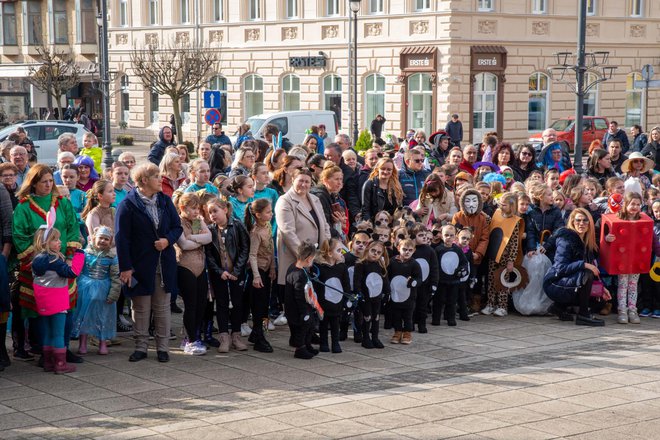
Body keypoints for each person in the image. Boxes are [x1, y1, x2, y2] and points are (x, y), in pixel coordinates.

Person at [13, 164, 82, 364]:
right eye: (44, 182)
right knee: (41, 312)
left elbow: (71, 228)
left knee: (66, 309)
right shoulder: (24, 207)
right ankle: (45, 352)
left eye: (51, 181)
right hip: (39, 270)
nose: (49, 185)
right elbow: (20, 236)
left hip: (62, 267)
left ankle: (64, 349)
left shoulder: (62, 203)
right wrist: (41, 259)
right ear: (33, 183)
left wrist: (68, 256)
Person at [115, 162, 183, 363]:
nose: (160, 180)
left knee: (162, 307)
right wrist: (126, 267)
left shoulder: (164, 200)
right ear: (144, 180)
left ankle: (162, 348)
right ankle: (141, 347)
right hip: (140, 264)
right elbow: (122, 238)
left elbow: (177, 227)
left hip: (164, 263)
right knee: (141, 308)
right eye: (156, 177)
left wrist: (167, 240)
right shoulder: (128, 204)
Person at [31, 227, 85, 374]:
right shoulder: (55, 260)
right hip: (58, 302)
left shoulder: (36, 259)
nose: (59, 242)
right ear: (45, 242)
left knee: (48, 333)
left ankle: (48, 362)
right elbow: (73, 272)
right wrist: (79, 253)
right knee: (58, 334)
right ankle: (61, 364)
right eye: (55, 239)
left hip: (43, 302)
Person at [542, 208, 607, 326]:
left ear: (589, 223)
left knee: (599, 301)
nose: (581, 223)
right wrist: (584, 264)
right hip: (555, 283)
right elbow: (560, 267)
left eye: (585, 220)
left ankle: (558, 307)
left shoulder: (587, 243)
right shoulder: (566, 239)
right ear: (572, 222)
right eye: (578, 220)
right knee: (587, 273)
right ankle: (583, 315)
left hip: (569, 281)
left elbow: (593, 269)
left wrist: (602, 287)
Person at [604, 192, 658, 324]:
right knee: (622, 284)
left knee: (633, 285)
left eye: (638, 204)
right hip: (622, 259)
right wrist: (607, 238)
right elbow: (606, 235)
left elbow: (653, 239)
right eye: (632, 204)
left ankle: (632, 310)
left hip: (636, 259)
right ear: (626, 204)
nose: (635, 207)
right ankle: (622, 310)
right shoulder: (618, 218)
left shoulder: (643, 220)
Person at [204, 198, 250, 353]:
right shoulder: (210, 230)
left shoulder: (237, 225)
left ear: (225, 209)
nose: (212, 215)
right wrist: (219, 271)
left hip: (236, 274)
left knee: (237, 304)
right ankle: (224, 337)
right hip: (220, 275)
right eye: (209, 212)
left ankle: (236, 336)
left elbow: (245, 249)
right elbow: (208, 254)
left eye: (215, 211)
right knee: (222, 305)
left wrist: (236, 271)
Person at [275, 168, 331, 288]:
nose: (304, 184)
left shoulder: (315, 199)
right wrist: (305, 258)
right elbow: (288, 233)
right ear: (293, 179)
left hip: (317, 258)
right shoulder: (285, 201)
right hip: (296, 260)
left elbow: (325, 225)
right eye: (301, 181)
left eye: (307, 181)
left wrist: (325, 249)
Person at [71, 226, 120, 356]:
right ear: (93, 238)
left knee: (103, 316)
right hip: (85, 288)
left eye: (106, 239)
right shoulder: (85, 253)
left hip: (104, 289)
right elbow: (77, 271)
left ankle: (102, 343)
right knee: (84, 315)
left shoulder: (112, 257)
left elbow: (115, 277)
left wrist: (114, 293)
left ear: (110, 242)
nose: (103, 241)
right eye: (100, 238)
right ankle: (82, 343)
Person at [174, 193, 212, 356]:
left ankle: (194, 335)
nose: (197, 211)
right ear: (183, 208)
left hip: (200, 266)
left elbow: (209, 237)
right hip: (184, 266)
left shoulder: (198, 221)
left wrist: (194, 238)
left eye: (198, 208)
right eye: (193, 208)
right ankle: (190, 340)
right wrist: (198, 241)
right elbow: (184, 244)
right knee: (190, 304)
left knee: (201, 303)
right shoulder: (177, 221)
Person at [482, 192, 523, 317]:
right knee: (491, 280)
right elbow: (492, 225)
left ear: (511, 206)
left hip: (505, 257)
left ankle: (502, 306)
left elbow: (515, 243)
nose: (501, 206)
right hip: (493, 253)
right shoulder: (497, 213)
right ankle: (490, 304)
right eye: (500, 204)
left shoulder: (515, 221)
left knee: (502, 282)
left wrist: (511, 260)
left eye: (504, 205)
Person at [245, 198, 276, 353]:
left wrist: (273, 267)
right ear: (258, 214)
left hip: (266, 269)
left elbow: (270, 249)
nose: (271, 214)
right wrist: (256, 276)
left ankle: (260, 332)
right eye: (268, 212)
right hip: (258, 272)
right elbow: (253, 255)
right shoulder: (256, 232)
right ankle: (259, 335)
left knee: (265, 307)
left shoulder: (268, 226)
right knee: (259, 307)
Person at [314, 238, 351, 353]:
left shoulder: (342, 267)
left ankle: (335, 342)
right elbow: (316, 286)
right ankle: (324, 343)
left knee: (335, 323)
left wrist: (347, 298)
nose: (342, 253)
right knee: (323, 323)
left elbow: (346, 284)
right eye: (339, 250)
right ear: (329, 253)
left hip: (337, 301)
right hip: (323, 302)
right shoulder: (319, 267)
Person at [284, 241, 319, 359]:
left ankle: (307, 345)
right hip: (298, 309)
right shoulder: (299, 275)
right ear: (309, 259)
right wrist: (304, 312)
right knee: (302, 328)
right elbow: (299, 296)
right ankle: (300, 348)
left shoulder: (293, 267)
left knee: (310, 325)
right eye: (313, 259)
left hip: (296, 307)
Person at [353, 240, 390, 347]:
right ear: (368, 249)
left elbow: (385, 280)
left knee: (376, 317)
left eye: (379, 252)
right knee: (367, 316)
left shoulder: (381, 265)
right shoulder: (361, 264)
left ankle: (375, 337)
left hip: (377, 296)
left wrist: (387, 292)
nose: (375, 254)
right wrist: (358, 292)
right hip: (366, 296)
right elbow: (357, 280)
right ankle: (366, 338)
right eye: (373, 251)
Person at [434, 224, 469, 326]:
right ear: (442, 236)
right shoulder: (438, 249)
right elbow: (434, 265)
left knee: (452, 301)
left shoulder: (457, 249)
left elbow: (464, 262)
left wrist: (462, 270)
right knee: (438, 300)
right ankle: (436, 319)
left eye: (451, 235)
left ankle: (451, 318)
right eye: (446, 235)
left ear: (455, 236)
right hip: (441, 280)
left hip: (454, 281)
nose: (449, 238)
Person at [410, 224, 439, 333]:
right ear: (413, 236)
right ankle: (410, 324)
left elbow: (434, 268)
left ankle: (422, 325)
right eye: (420, 235)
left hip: (425, 284)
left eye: (425, 235)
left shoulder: (430, 251)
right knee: (412, 305)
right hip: (412, 284)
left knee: (423, 306)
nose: (424, 238)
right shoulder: (411, 249)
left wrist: (434, 283)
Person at [310, 164, 347, 240]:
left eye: (341, 179)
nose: (340, 183)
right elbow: (323, 224)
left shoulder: (331, 194)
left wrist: (339, 222)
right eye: (336, 179)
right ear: (325, 180)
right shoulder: (320, 196)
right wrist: (338, 234)